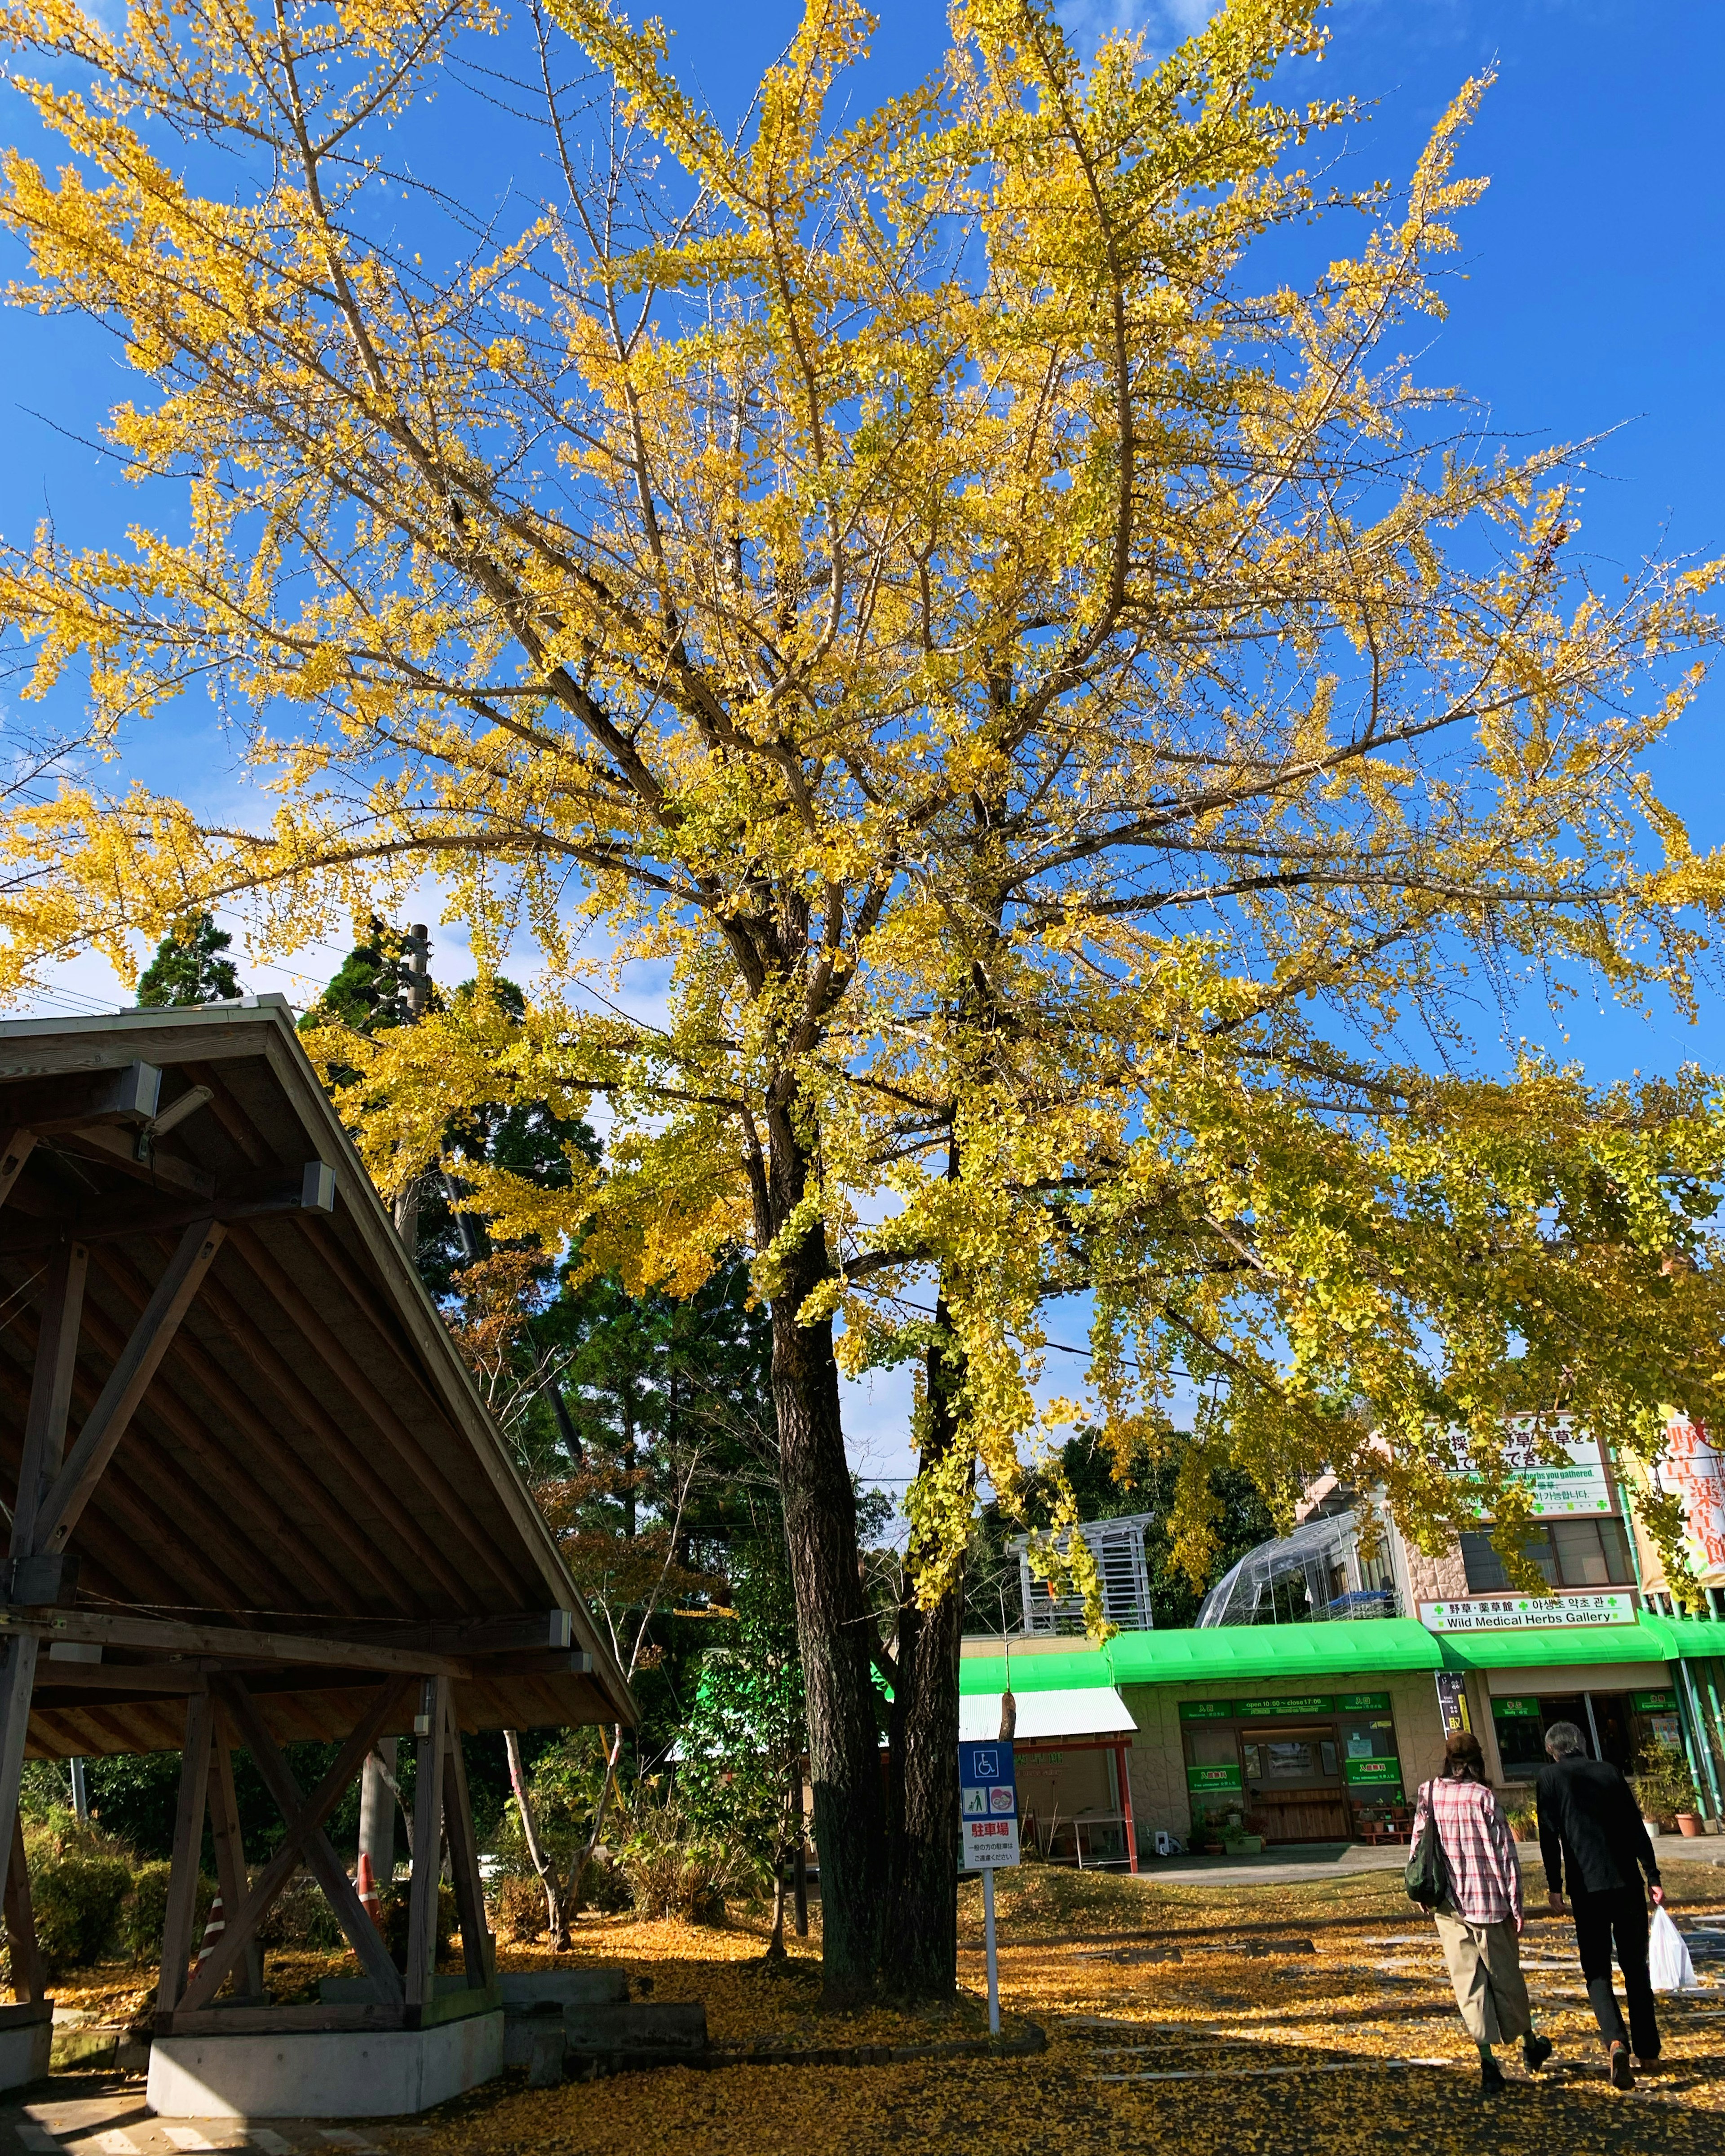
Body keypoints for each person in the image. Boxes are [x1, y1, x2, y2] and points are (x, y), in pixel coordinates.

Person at [1411, 1729, 1553, 2094]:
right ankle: (1529, 2044)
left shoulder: (1429, 1794)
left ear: (1447, 1760)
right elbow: (1506, 1855)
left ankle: (1488, 2062)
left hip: (1448, 1904)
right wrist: (1516, 1904)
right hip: (1490, 1903)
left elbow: (1418, 1847)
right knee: (1506, 1978)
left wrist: (1422, 1892)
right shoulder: (1485, 1798)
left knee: (1468, 1984)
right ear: (1478, 1761)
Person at [1536, 1719, 1666, 2090]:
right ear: (1581, 1743)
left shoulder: (1549, 1779)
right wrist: (1653, 1876)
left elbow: (1549, 1836)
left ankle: (1615, 2041)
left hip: (1586, 1887)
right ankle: (1649, 2051)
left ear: (1552, 1750)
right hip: (1625, 1881)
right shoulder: (1609, 1772)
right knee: (1635, 1968)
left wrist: (1554, 1885)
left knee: (1596, 1969)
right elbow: (1635, 1827)